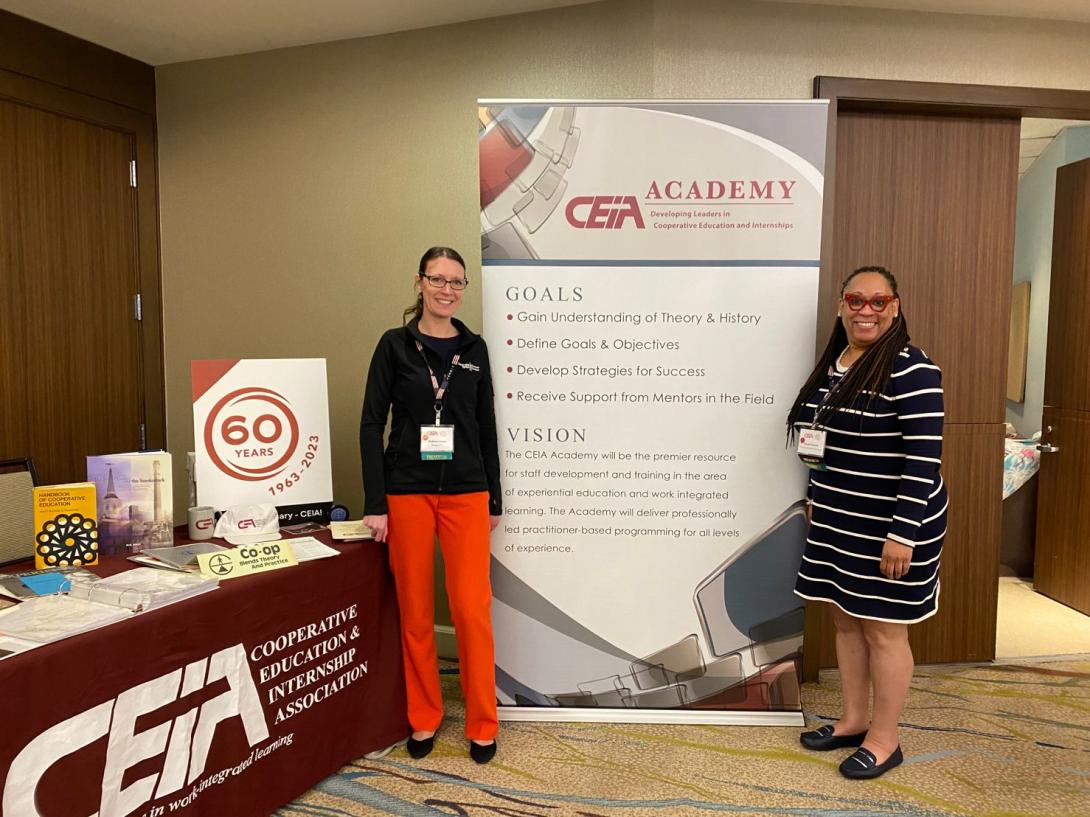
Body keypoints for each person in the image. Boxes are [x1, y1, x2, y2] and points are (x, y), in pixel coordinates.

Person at [786, 265, 946, 780]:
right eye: (857, 300)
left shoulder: (912, 369)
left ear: (895, 308)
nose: (866, 311)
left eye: (879, 302)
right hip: (838, 518)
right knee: (843, 617)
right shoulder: (836, 364)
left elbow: (924, 462)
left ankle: (884, 739)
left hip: (890, 527)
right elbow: (821, 444)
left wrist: (903, 534)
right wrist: (816, 495)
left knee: (883, 633)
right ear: (841, 306)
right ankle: (853, 720)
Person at [360, 246, 502, 764]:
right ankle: (425, 717)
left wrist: (495, 496)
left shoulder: (475, 348)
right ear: (419, 283)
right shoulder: (394, 346)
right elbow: (372, 422)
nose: (447, 289)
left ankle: (483, 723)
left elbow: (485, 426)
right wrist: (376, 502)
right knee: (416, 613)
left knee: (471, 611)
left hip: (466, 493)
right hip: (407, 495)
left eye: (457, 282)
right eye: (438, 279)